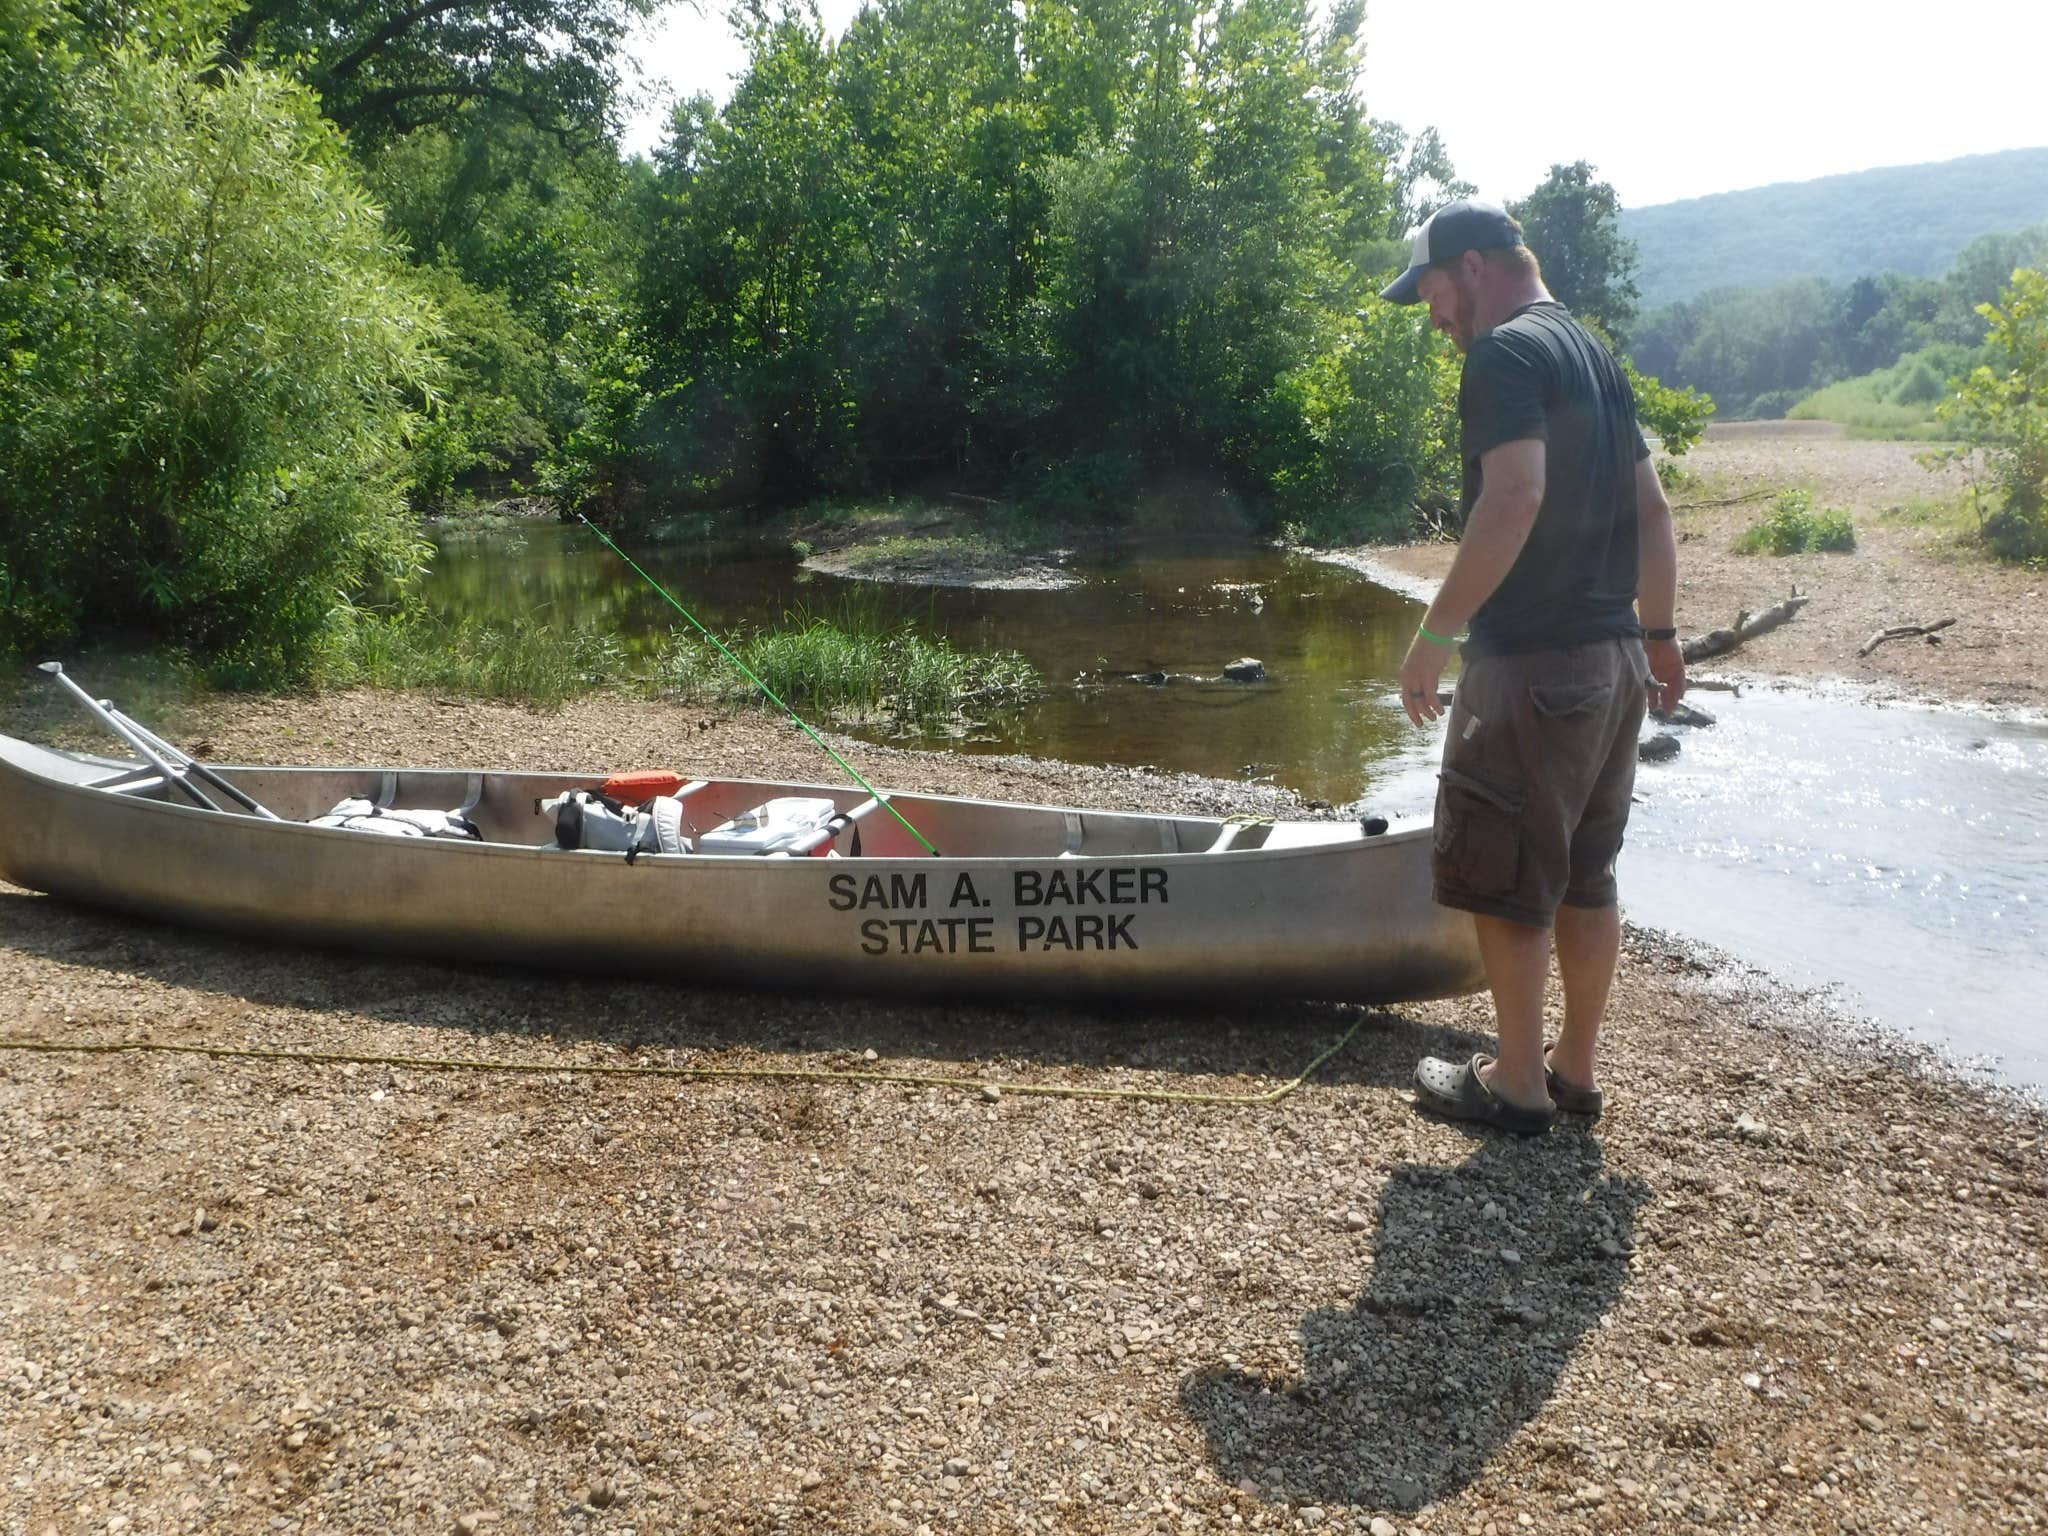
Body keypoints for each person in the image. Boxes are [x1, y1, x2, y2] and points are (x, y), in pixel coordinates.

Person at [1378, 200, 1685, 1136]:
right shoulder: (1592, 354)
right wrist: (1661, 636)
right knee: (1587, 875)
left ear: (1470, 268)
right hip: (1614, 664)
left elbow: (1514, 494)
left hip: (1535, 662)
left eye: (1431, 291)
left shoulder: (1505, 354)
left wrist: (1436, 637)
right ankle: (1574, 1072)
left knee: (1507, 871)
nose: (1434, 316)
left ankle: (1514, 1080)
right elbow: (1654, 511)